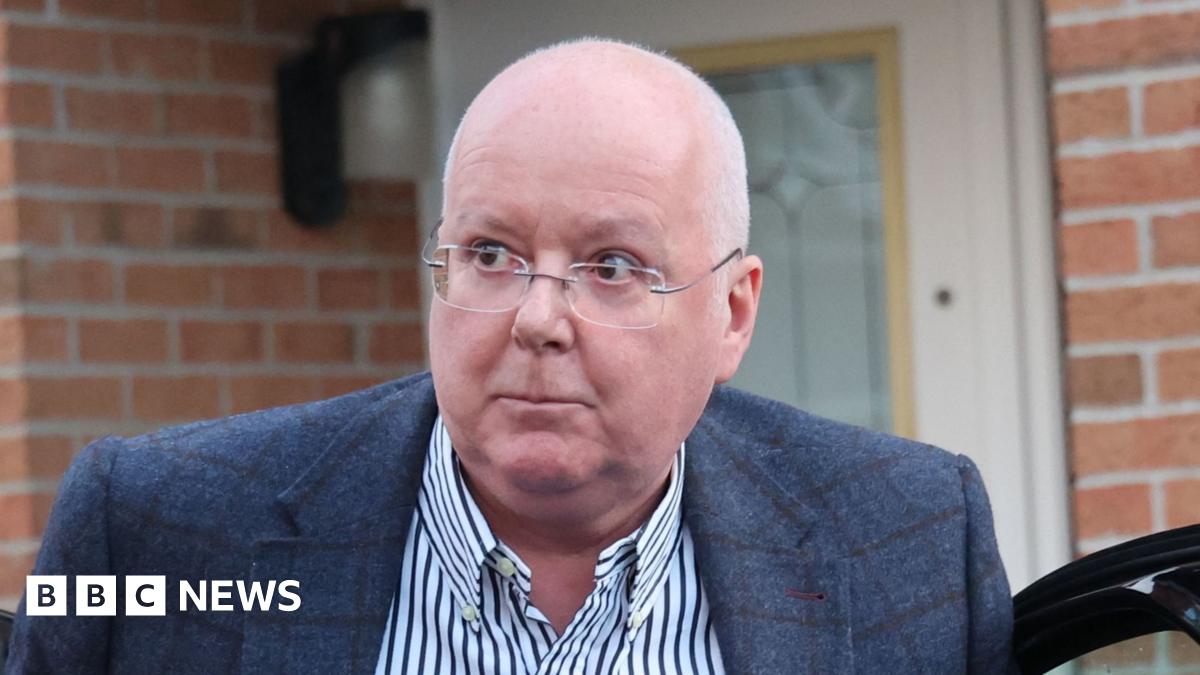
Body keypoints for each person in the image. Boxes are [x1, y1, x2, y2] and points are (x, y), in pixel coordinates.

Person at [5, 39, 1013, 674]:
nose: (538, 318)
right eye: (491, 255)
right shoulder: (157, 533)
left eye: (612, 266)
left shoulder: (909, 541)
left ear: (733, 313)